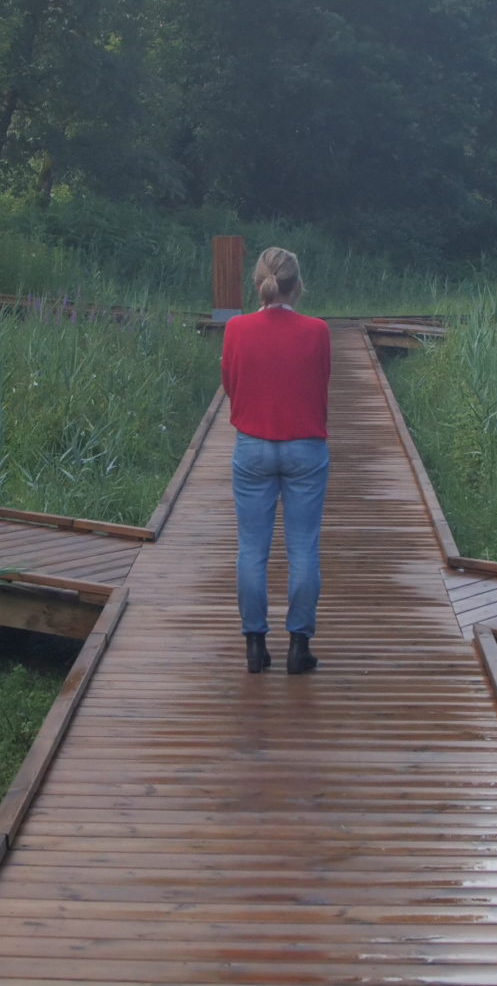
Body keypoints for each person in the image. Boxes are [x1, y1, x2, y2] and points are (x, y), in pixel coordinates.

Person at [220, 247, 332, 674]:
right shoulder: (318, 331)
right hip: (305, 446)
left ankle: (255, 646)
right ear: (297, 285)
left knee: (252, 549)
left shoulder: (236, 328)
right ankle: (299, 647)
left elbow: (230, 383)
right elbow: (321, 380)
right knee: (303, 547)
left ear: (258, 284)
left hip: (253, 445)